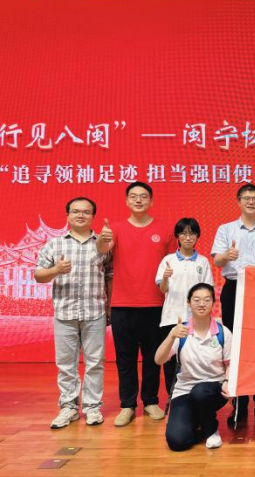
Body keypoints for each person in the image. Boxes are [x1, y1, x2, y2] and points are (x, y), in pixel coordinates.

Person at [97, 182, 174, 426]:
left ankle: (150, 401)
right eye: (133, 196)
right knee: (125, 358)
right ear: (127, 201)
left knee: (153, 357)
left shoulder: (165, 229)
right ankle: (127, 405)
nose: (138, 200)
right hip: (123, 304)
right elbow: (103, 250)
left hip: (156, 304)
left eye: (143, 196)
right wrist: (101, 240)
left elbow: (174, 263)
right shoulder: (115, 228)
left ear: (151, 201)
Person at [35, 197, 112, 429]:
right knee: (66, 363)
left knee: (95, 362)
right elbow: (39, 275)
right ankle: (68, 407)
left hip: (95, 312)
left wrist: (110, 307)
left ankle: (92, 407)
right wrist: (56, 270)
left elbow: (110, 277)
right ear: (67, 215)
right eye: (76, 211)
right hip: (64, 312)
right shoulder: (54, 244)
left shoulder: (103, 244)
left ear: (93, 216)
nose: (81, 215)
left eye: (86, 212)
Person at [211, 184, 255, 426]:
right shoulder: (226, 229)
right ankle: (239, 404)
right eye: (246, 198)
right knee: (236, 346)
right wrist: (226, 256)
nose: (250, 202)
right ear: (238, 202)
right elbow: (217, 261)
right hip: (234, 290)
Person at [155, 283, 232, 451]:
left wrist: (227, 381)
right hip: (185, 391)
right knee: (177, 442)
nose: (201, 304)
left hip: (213, 390)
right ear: (188, 303)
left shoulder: (223, 332)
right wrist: (170, 336)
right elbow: (158, 360)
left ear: (213, 303)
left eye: (207, 300)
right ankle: (197, 421)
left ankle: (211, 430)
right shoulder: (180, 332)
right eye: (196, 300)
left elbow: (230, 364)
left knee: (200, 392)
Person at [156, 218, 214, 396]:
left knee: (193, 361)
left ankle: (194, 398)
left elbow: (207, 292)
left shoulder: (203, 262)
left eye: (192, 233)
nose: (188, 237)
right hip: (171, 319)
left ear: (197, 236)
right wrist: (165, 277)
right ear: (177, 237)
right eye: (183, 233)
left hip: (195, 321)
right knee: (171, 364)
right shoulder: (168, 260)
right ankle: (174, 399)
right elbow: (162, 289)